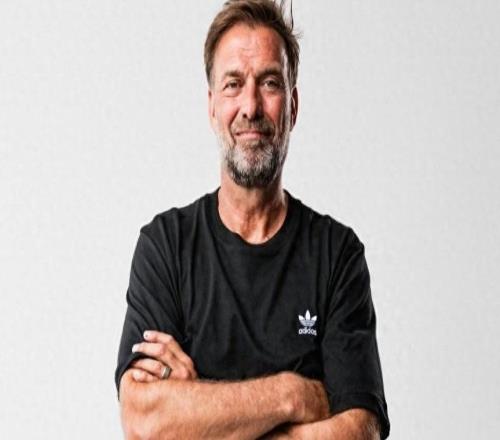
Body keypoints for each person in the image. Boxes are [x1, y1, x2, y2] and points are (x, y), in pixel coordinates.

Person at [115, 0, 390, 438]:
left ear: (293, 106)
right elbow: (144, 420)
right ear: (212, 106)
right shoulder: (166, 246)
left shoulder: (336, 254)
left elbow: (360, 430)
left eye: (269, 83)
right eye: (233, 84)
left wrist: (198, 410)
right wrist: (293, 395)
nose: (251, 106)